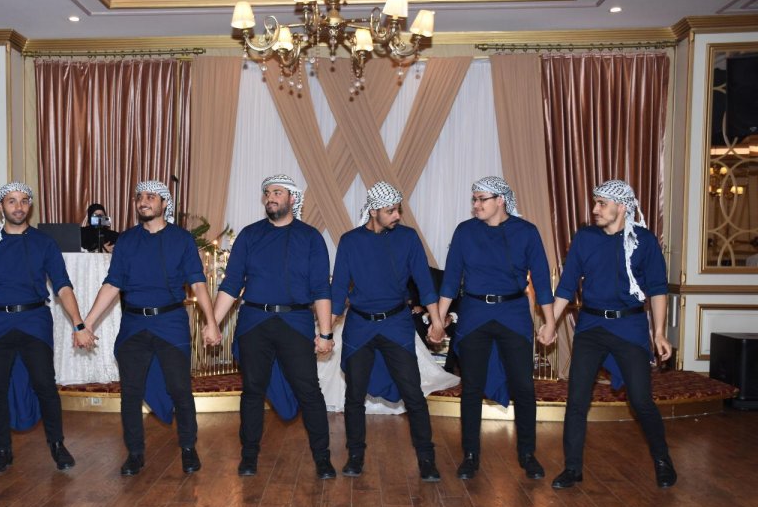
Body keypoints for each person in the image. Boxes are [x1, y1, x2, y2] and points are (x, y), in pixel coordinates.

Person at [0, 182, 90, 473]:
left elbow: (62, 286)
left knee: (45, 385)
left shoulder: (44, 243)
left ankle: (57, 446)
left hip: (35, 321)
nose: (18, 206)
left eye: (23, 201)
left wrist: (79, 324)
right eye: (11, 201)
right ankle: (2, 451)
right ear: (1, 206)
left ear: (29, 206)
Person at [77, 181, 221, 475]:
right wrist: (86, 323)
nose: (143, 201)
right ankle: (135, 453)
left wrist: (211, 323)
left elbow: (197, 283)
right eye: (140, 197)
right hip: (133, 325)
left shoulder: (182, 239)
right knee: (130, 392)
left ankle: (188, 448)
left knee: (180, 388)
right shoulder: (127, 241)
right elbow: (112, 284)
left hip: (171, 323)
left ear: (164, 203)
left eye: (151, 197)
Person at [544, 179, 677, 489]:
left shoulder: (644, 241)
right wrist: (551, 322)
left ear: (621, 207)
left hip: (629, 328)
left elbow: (658, 289)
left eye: (602, 204)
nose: (595, 209)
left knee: (641, 400)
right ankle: (572, 468)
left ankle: (662, 461)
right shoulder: (585, 238)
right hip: (590, 328)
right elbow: (567, 285)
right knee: (577, 399)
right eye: (596, 203)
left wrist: (659, 333)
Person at [212, 174, 336, 479]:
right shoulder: (249, 235)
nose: (271, 197)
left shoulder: (310, 237)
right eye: (267, 192)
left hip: (296, 322)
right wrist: (213, 323)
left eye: (277, 192)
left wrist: (325, 333)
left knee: (309, 390)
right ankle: (249, 456)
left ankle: (322, 458)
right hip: (254, 322)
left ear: (292, 198)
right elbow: (231, 284)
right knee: (252, 391)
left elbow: (321, 289)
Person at [435, 176, 556, 481]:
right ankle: (470, 455)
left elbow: (542, 280)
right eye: (474, 199)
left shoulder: (526, 232)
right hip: (474, 313)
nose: (475, 205)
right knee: (471, 387)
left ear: (500, 200)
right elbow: (450, 280)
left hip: (513, 313)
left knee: (523, 386)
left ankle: (527, 454)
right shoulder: (465, 231)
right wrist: (438, 320)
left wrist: (550, 322)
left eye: (482, 199)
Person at [331, 182, 444, 480]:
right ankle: (355, 455)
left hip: (396, 324)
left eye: (398, 210)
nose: (397, 216)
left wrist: (437, 321)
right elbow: (338, 288)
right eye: (390, 211)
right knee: (354, 395)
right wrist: (326, 332)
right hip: (359, 326)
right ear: (373, 211)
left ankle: (427, 459)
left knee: (413, 393)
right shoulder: (350, 241)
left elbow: (424, 283)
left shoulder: (408, 238)